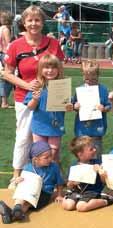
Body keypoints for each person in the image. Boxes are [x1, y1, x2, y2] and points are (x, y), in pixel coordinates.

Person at [3, 6, 64, 189]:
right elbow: (6, 74)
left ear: (43, 22)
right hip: (25, 97)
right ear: (24, 22)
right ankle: (17, 174)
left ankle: (53, 177)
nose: (33, 24)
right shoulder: (15, 45)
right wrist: (27, 85)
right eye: (30, 20)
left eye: (37, 20)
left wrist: (60, 95)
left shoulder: (52, 43)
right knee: (23, 138)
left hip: (50, 99)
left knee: (53, 139)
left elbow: (59, 69)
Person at [23, 54, 73, 164]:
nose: (50, 70)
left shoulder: (62, 85)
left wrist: (70, 107)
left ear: (59, 69)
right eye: (46, 67)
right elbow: (30, 107)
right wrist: (35, 99)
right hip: (40, 126)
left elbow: (69, 105)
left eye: (53, 67)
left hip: (55, 126)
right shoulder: (37, 85)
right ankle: (39, 176)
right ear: (40, 70)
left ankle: (54, 176)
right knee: (40, 154)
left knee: (54, 153)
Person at [0, 141, 64, 224]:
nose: (50, 159)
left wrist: (59, 195)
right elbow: (23, 183)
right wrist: (18, 181)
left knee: (28, 203)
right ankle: (15, 211)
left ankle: (12, 212)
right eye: (46, 157)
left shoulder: (54, 167)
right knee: (24, 198)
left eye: (50, 156)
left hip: (44, 193)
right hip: (29, 193)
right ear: (35, 159)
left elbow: (59, 183)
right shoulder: (28, 167)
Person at [62, 136, 113, 212]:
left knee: (81, 207)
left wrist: (100, 172)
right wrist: (72, 183)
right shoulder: (74, 166)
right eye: (91, 149)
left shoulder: (97, 163)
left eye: (94, 147)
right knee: (68, 205)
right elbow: (69, 185)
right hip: (78, 191)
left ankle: (106, 200)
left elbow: (104, 182)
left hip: (92, 191)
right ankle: (73, 198)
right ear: (80, 154)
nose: (95, 150)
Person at [72, 60, 111, 154]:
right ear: (83, 76)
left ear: (98, 76)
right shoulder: (80, 90)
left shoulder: (103, 89)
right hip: (82, 129)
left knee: (96, 154)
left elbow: (108, 106)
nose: (90, 82)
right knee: (83, 154)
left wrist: (104, 108)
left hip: (97, 129)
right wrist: (75, 106)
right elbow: (73, 104)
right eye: (87, 79)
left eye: (93, 80)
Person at [0, 11, 13, 109]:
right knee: (8, 78)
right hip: (5, 54)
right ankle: (4, 102)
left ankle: (3, 101)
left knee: (3, 77)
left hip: (1, 53)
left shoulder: (1, 28)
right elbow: (9, 44)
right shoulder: (6, 29)